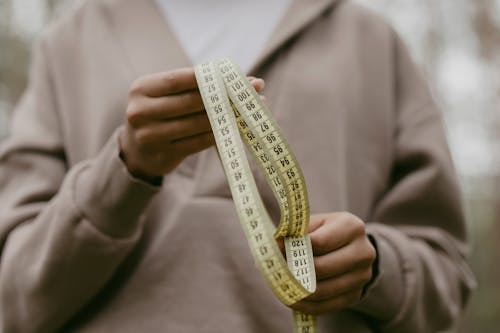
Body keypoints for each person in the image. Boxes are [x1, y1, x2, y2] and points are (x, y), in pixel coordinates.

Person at [0, 0, 476, 332]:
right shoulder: (70, 40)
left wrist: (376, 268)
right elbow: (14, 299)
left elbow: (446, 276)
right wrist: (126, 169)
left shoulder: (372, 41)